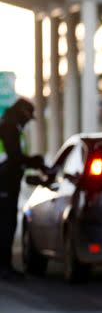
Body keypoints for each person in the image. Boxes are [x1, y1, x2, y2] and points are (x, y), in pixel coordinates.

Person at [0, 98, 44, 281]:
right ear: (22, 114)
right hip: (3, 183)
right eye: (27, 118)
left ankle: (5, 266)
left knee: (7, 224)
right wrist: (33, 161)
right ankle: (3, 267)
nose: (28, 122)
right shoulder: (8, 128)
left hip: (8, 182)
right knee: (5, 225)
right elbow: (14, 157)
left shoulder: (11, 127)